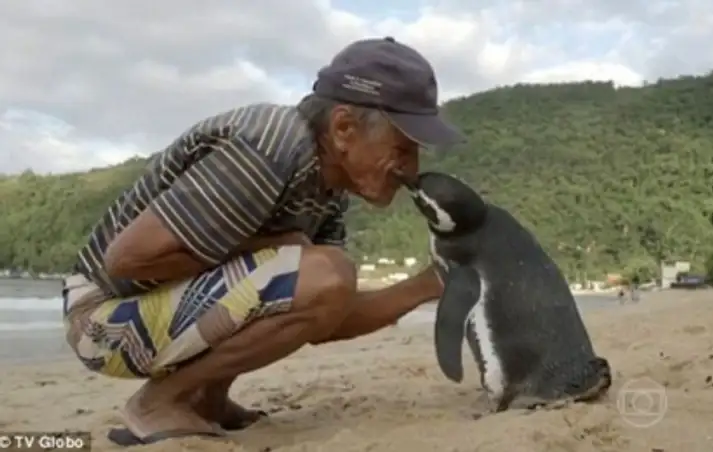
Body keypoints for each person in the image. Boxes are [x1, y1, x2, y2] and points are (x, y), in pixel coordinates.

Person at [62, 36, 464, 446]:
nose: (412, 169)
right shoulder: (269, 144)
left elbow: (323, 313)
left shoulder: (327, 191)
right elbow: (125, 262)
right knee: (322, 268)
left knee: (323, 273)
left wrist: (428, 284)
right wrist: (271, 246)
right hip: (100, 319)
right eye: (403, 147)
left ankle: (207, 397)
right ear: (343, 128)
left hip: (148, 311)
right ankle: (160, 402)